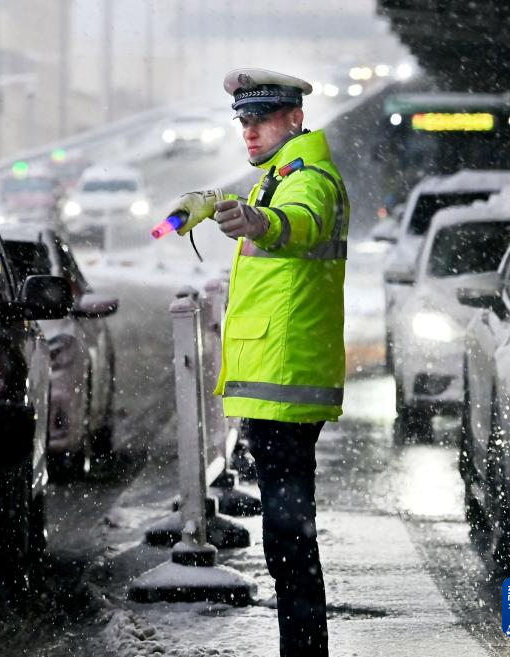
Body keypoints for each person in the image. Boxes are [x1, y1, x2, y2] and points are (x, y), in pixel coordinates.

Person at [169, 68, 348, 656]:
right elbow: (270, 214)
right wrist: (220, 205)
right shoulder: (278, 177)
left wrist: (258, 222)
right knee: (287, 537)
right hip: (274, 385)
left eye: (261, 119)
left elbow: (300, 222)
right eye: (243, 121)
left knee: (290, 540)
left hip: (288, 384)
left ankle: (303, 649)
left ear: (294, 118)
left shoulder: (309, 178)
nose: (248, 132)